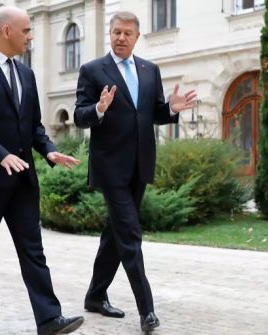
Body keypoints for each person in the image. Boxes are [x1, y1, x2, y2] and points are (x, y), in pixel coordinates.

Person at [0, 6, 84, 335]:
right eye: (26, 31)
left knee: (33, 248)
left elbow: (34, 125)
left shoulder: (26, 74)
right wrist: (0, 155)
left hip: (24, 178)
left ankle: (49, 318)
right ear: (7, 31)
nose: (31, 36)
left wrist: (50, 150)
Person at [73, 10, 197, 333]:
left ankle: (95, 295)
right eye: (116, 32)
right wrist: (98, 109)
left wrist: (171, 108)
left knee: (114, 233)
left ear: (137, 36)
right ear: (109, 34)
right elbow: (79, 115)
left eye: (127, 33)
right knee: (130, 234)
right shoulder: (92, 70)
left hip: (141, 164)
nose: (121, 37)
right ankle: (147, 311)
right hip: (110, 167)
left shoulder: (149, 70)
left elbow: (154, 112)